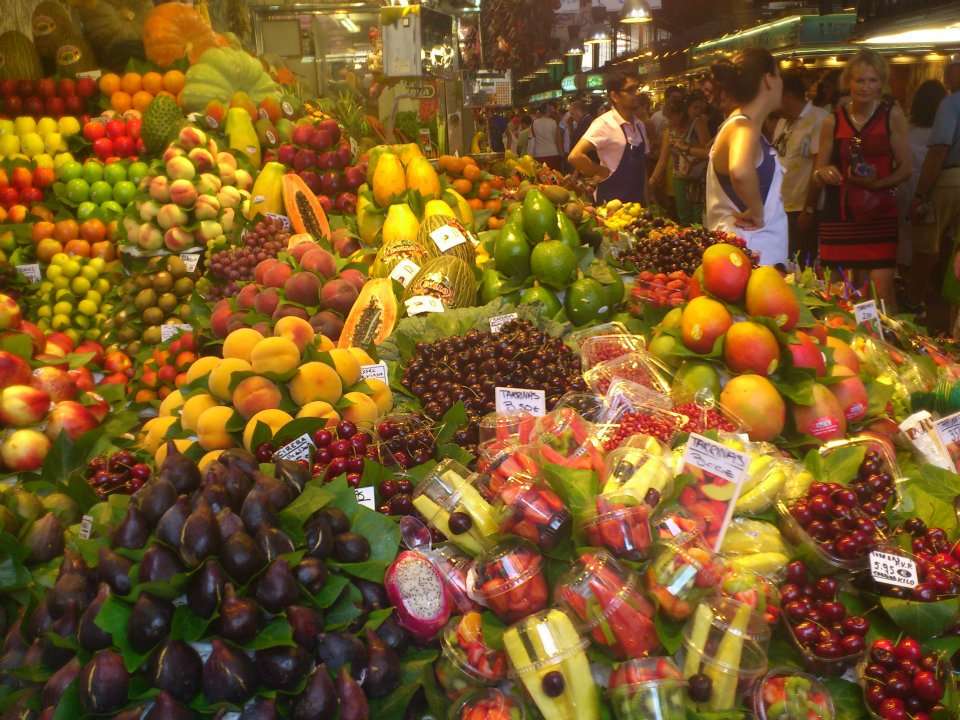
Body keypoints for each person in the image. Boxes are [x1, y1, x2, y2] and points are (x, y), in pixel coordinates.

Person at [810, 49, 912, 313]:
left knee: (882, 296)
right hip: (840, 213)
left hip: (878, 213)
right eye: (859, 80)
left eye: (872, 80)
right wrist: (824, 173)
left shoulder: (892, 115)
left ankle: (889, 348)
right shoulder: (833, 121)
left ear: (882, 83)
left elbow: (906, 168)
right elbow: (819, 168)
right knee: (839, 296)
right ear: (848, 82)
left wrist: (878, 185)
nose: (865, 87)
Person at [705, 48, 787, 266]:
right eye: (779, 75)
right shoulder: (743, 126)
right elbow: (740, 171)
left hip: (752, 258)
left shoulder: (742, 124)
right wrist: (758, 213)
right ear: (768, 80)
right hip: (750, 259)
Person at [911, 54, 960, 334]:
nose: (946, 78)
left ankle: (915, 300)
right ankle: (954, 314)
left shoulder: (951, 103)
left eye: (950, 71)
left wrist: (920, 194)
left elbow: (939, 149)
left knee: (927, 242)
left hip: (951, 178)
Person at [568, 72, 650, 204]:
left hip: (638, 204)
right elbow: (575, 156)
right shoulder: (604, 123)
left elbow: (642, 168)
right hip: (611, 206)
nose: (636, 94)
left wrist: (648, 199)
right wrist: (600, 171)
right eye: (630, 90)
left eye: (637, 89)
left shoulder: (640, 126)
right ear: (614, 96)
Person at [898, 79, 947, 299]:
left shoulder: (906, 129)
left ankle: (907, 282)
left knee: (906, 237)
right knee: (929, 241)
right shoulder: (943, 134)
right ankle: (924, 287)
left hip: (904, 187)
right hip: (931, 191)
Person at [774, 73, 829, 265]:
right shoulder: (783, 122)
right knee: (783, 260)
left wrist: (810, 209)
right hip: (781, 205)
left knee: (801, 263)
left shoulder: (819, 119)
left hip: (802, 207)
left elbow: (818, 166)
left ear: (787, 96)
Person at [650, 93, 710, 224]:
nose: (668, 121)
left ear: (681, 115)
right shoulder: (669, 132)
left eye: (671, 117)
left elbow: (708, 152)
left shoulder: (697, 124)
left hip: (698, 179)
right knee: (684, 217)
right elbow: (663, 159)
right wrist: (652, 180)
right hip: (679, 178)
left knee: (698, 217)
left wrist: (686, 148)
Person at [531, 105, 563, 170]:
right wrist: (561, 153)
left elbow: (533, 138)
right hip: (553, 153)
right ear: (548, 111)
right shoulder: (553, 122)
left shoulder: (534, 123)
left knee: (542, 177)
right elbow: (558, 140)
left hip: (538, 154)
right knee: (555, 176)